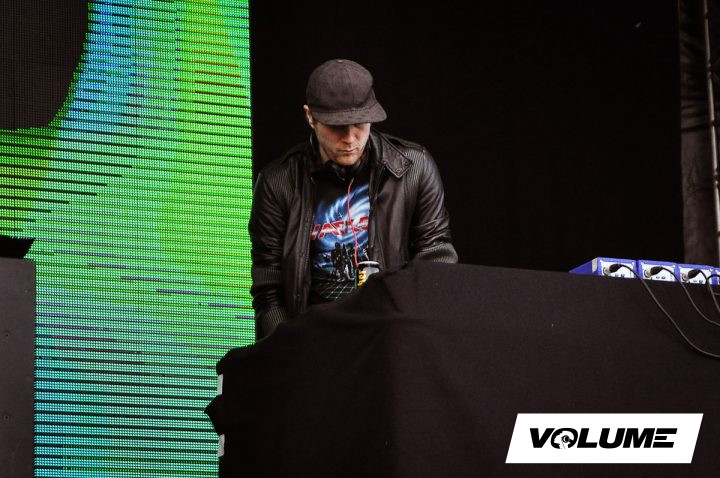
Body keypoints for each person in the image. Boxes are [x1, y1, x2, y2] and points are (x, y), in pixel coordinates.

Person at [249, 58, 457, 338]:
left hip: (392, 339)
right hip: (312, 343)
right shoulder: (278, 183)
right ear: (310, 117)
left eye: (359, 123)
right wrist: (293, 350)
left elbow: (437, 264)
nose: (350, 138)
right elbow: (269, 291)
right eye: (336, 126)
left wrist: (407, 338)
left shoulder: (413, 168)